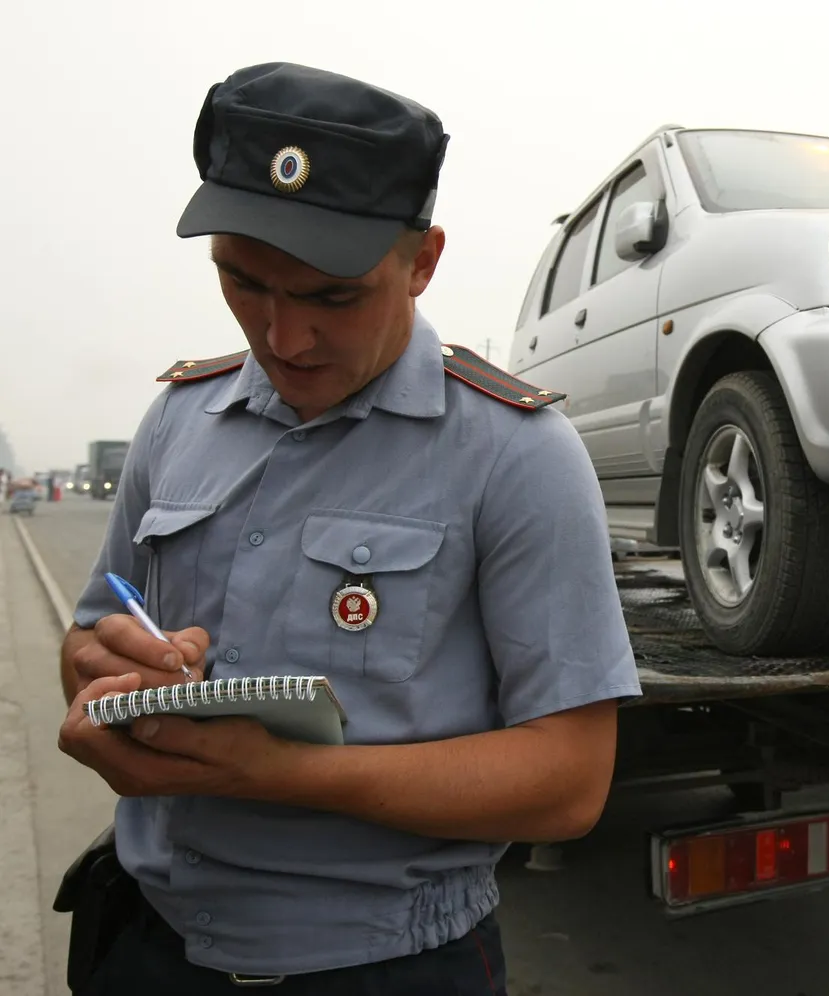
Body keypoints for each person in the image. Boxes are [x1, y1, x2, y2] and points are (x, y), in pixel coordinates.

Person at [54, 61, 641, 994]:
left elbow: (570, 781)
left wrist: (276, 773)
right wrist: (99, 669)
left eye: (333, 297)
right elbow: (92, 633)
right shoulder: (178, 420)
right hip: (146, 943)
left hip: (383, 969)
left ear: (423, 260)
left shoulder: (515, 453)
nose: (284, 338)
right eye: (243, 283)